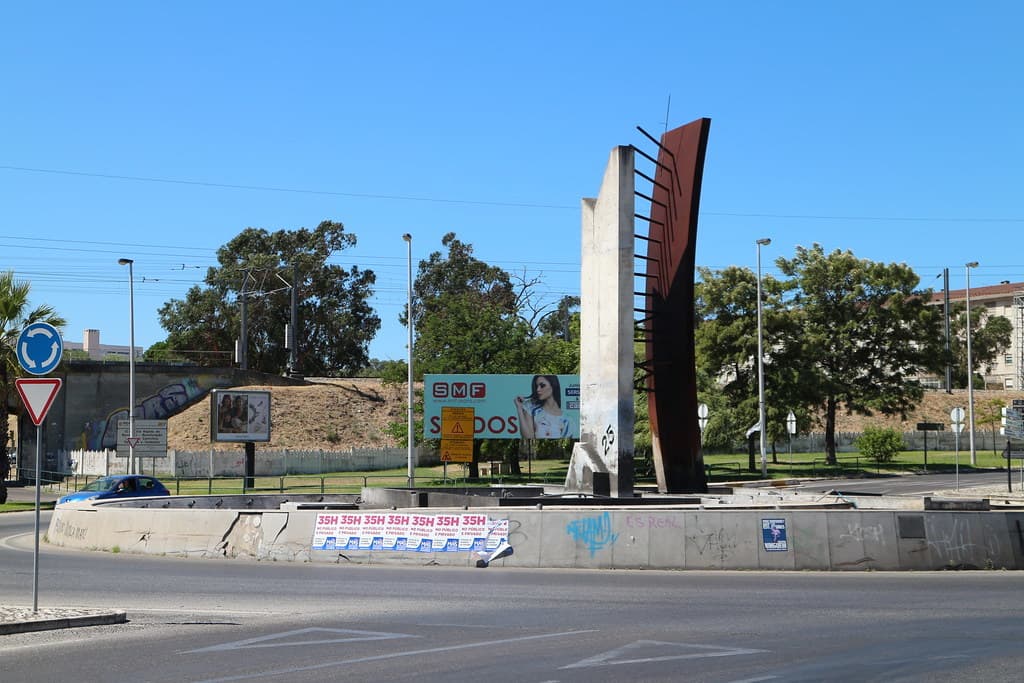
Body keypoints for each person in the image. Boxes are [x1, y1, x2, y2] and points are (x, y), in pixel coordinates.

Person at [513, 375, 570, 439]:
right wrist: (519, 409)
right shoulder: (531, 407)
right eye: (536, 386)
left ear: (553, 385)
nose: (538, 389)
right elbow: (528, 436)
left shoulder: (567, 420)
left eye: (542, 385)